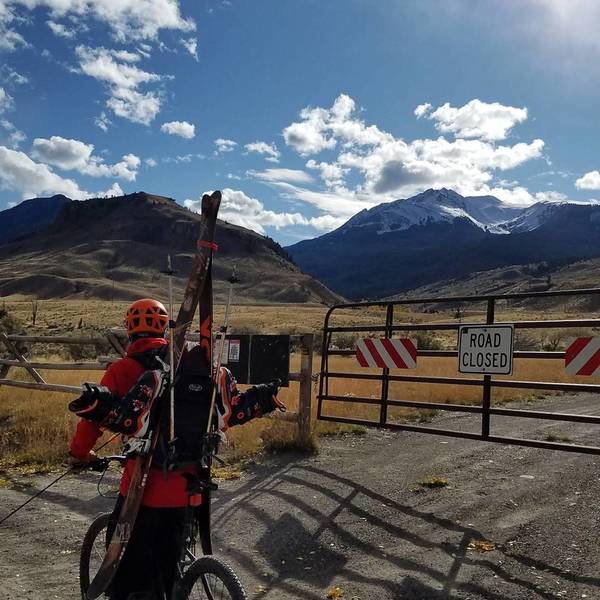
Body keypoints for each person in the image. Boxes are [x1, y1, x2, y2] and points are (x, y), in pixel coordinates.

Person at [68, 298, 283, 600]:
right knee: (172, 561)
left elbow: (92, 425)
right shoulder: (195, 367)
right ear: (165, 329)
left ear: (130, 330)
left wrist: (80, 454)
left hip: (141, 490)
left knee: (127, 568)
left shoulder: (122, 370)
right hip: (190, 486)